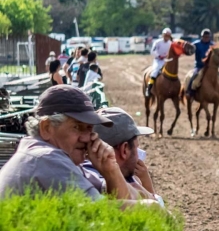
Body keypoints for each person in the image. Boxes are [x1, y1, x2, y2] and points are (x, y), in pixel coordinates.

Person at [0, 86, 132, 201]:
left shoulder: (59, 157)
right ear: (46, 128)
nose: (87, 138)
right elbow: (107, 214)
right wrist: (150, 206)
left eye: (89, 128)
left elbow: (117, 201)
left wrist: (111, 170)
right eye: (77, 127)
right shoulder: (47, 158)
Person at [82, 107, 162, 204]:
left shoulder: (83, 169)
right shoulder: (94, 178)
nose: (139, 155)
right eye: (136, 147)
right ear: (124, 150)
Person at [188, 28, 219, 98]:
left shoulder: (213, 45)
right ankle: (190, 91)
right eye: (204, 37)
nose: (206, 38)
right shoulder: (196, 44)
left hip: (209, 67)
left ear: (209, 37)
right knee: (194, 76)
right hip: (199, 66)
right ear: (201, 37)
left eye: (207, 37)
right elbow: (189, 48)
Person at [146, 28, 173, 98]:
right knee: (155, 72)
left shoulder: (170, 43)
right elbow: (152, 51)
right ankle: (148, 88)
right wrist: (159, 56)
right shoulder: (157, 42)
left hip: (166, 60)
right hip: (158, 60)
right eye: (165, 35)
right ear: (163, 35)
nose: (166, 37)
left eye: (168, 36)